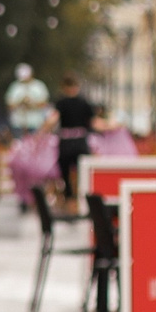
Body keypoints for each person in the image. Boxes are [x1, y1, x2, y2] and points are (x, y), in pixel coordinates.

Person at [51, 75, 96, 211]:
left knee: (64, 172)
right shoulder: (84, 103)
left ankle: (70, 199)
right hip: (81, 141)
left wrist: (41, 132)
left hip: (65, 142)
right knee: (83, 172)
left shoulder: (61, 102)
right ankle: (80, 200)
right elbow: (94, 123)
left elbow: (53, 119)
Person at [4, 62, 50, 136]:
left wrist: (32, 103)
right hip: (18, 123)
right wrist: (20, 102)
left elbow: (44, 103)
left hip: (35, 123)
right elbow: (9, 105)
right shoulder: (15, 87)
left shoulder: (39, 86)